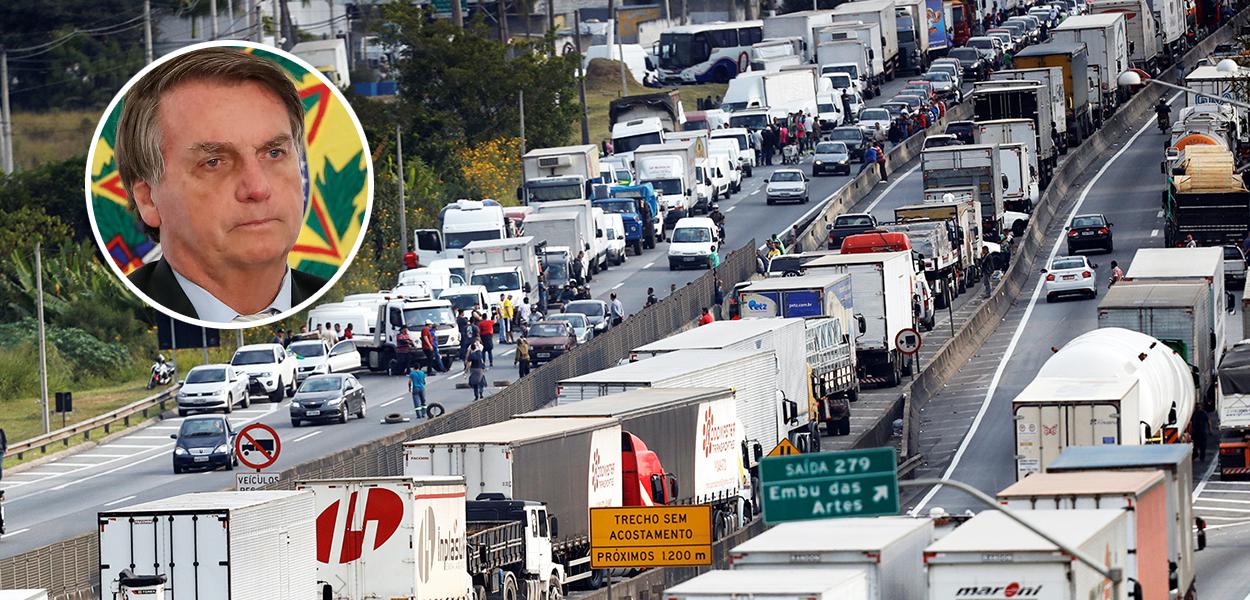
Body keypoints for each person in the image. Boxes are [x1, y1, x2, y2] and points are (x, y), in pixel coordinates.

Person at [117, 48, 329, 323]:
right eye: (214, 162)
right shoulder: (125, 316)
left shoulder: (327, 300)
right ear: (149, 199)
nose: (257, 188)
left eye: (274, 153)